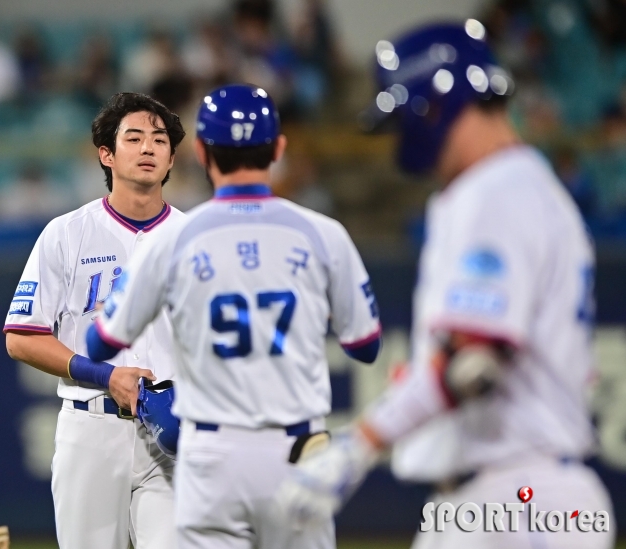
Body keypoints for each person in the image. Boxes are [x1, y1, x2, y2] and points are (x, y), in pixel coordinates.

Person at [278, 21, 616, 549]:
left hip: (517, 500)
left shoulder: (497, 190)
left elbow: (472, 361)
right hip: (507, 496)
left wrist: (362, 441)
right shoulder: (520, 184)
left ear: (433, 106)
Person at [86, 83, 382, 549]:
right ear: (278, 149)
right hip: (298, 451)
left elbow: (100, 342)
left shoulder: (172, 239)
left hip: (212, 456)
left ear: (201, 151)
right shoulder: (324, 234)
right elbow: (365, 346)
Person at [4, 92, 186, 549]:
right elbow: (22, 336)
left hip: (176, 436)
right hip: (91, 427)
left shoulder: (195, 238)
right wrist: (106, 376)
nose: (148, 148)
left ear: (170, 160)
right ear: (106, 154)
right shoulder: (67, 233)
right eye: (134, 137)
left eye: (159, 140)